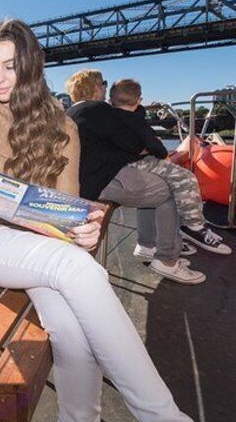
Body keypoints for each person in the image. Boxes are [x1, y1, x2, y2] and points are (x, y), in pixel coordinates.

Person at [0, 19, 195, 422]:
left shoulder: (63, 126)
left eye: (10, 66)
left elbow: (64, 205)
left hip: (40, 243)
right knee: (77, 269)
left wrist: (80, 227)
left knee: (73, 332)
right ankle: (166, 421)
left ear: (32, 65)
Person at [65, 70, 205, 285]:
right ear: (95, 87)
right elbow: (132, 143)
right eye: (103, 83)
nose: (105, 87)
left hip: (83, 181)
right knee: (169, 189)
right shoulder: (99, 110)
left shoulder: (72, 112)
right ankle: (167, 259)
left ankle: (147, 246)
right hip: (102, 181)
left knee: (154, 188)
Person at [109, 78, 230, 255]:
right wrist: (164, 157)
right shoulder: (136, 120)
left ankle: (154, 241)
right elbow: (154, 146)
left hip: (121, 164)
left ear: (111, 100)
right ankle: (194, 226)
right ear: (139, 100)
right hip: (137, 163)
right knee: (186, 178)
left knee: (167, 183)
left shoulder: (108, 117)